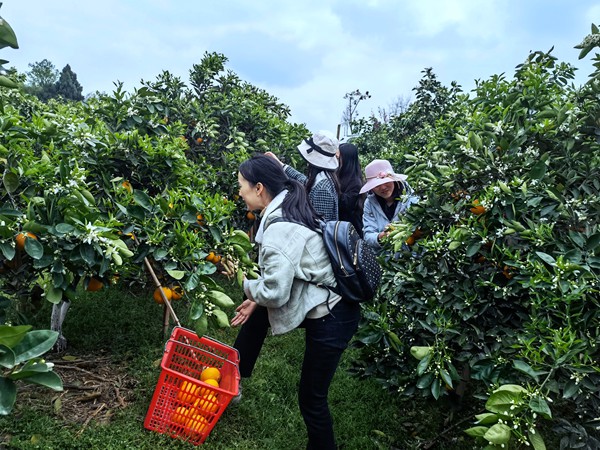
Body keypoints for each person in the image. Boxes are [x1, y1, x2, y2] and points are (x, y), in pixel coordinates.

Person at [231, 155, 361, 449]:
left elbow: (276, 293)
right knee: (257, 312)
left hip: (334, 315)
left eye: (242, 186)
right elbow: (295, 271)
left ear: (260, 188)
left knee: (312, 399)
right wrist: (255, 299)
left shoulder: (279, 228)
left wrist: (242, 281)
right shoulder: (289, 208)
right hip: (328, 302)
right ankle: (233, 376)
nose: (240, 192)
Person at [266, 130, 340, 221]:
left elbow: (320, 226)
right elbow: (304, 181)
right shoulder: (322, 177)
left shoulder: (322, 190)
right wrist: (281, 165)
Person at [360, 159, 418, 252]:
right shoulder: (370, 203)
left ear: (394, 180)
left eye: (386, 182)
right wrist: (379, 237)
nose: (383, 187)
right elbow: (368, 235)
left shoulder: (411, 198)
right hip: (385, 259)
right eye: (377, 185)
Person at [336, 142, 365, 236]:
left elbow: (344, 205)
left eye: (338, 157)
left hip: (350, 233)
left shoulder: (355, 183)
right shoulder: (339, 176)